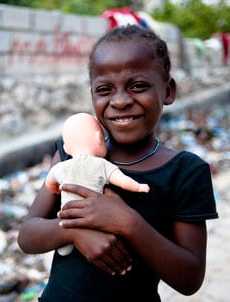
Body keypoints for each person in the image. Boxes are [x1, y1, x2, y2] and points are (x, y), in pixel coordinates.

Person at [17, 24, 218, 302]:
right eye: (104, 89)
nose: (121, 101)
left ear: (168, 90)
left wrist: (128, 223)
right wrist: (75, 233)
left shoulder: (185, 172)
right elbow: (27, 235)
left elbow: (190, 278)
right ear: (92, 95)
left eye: (138, 86)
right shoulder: (72, 154)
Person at [44, 112, 150, 256]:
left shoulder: (61, 167)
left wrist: (55, 189)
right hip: (95, 218)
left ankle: (65, 247)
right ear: (100, 138)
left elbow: (49, 181)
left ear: (66, 148)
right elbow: (121, 180)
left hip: (68, 219)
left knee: (66, 242)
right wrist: (138, 187)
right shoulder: (101, 165)